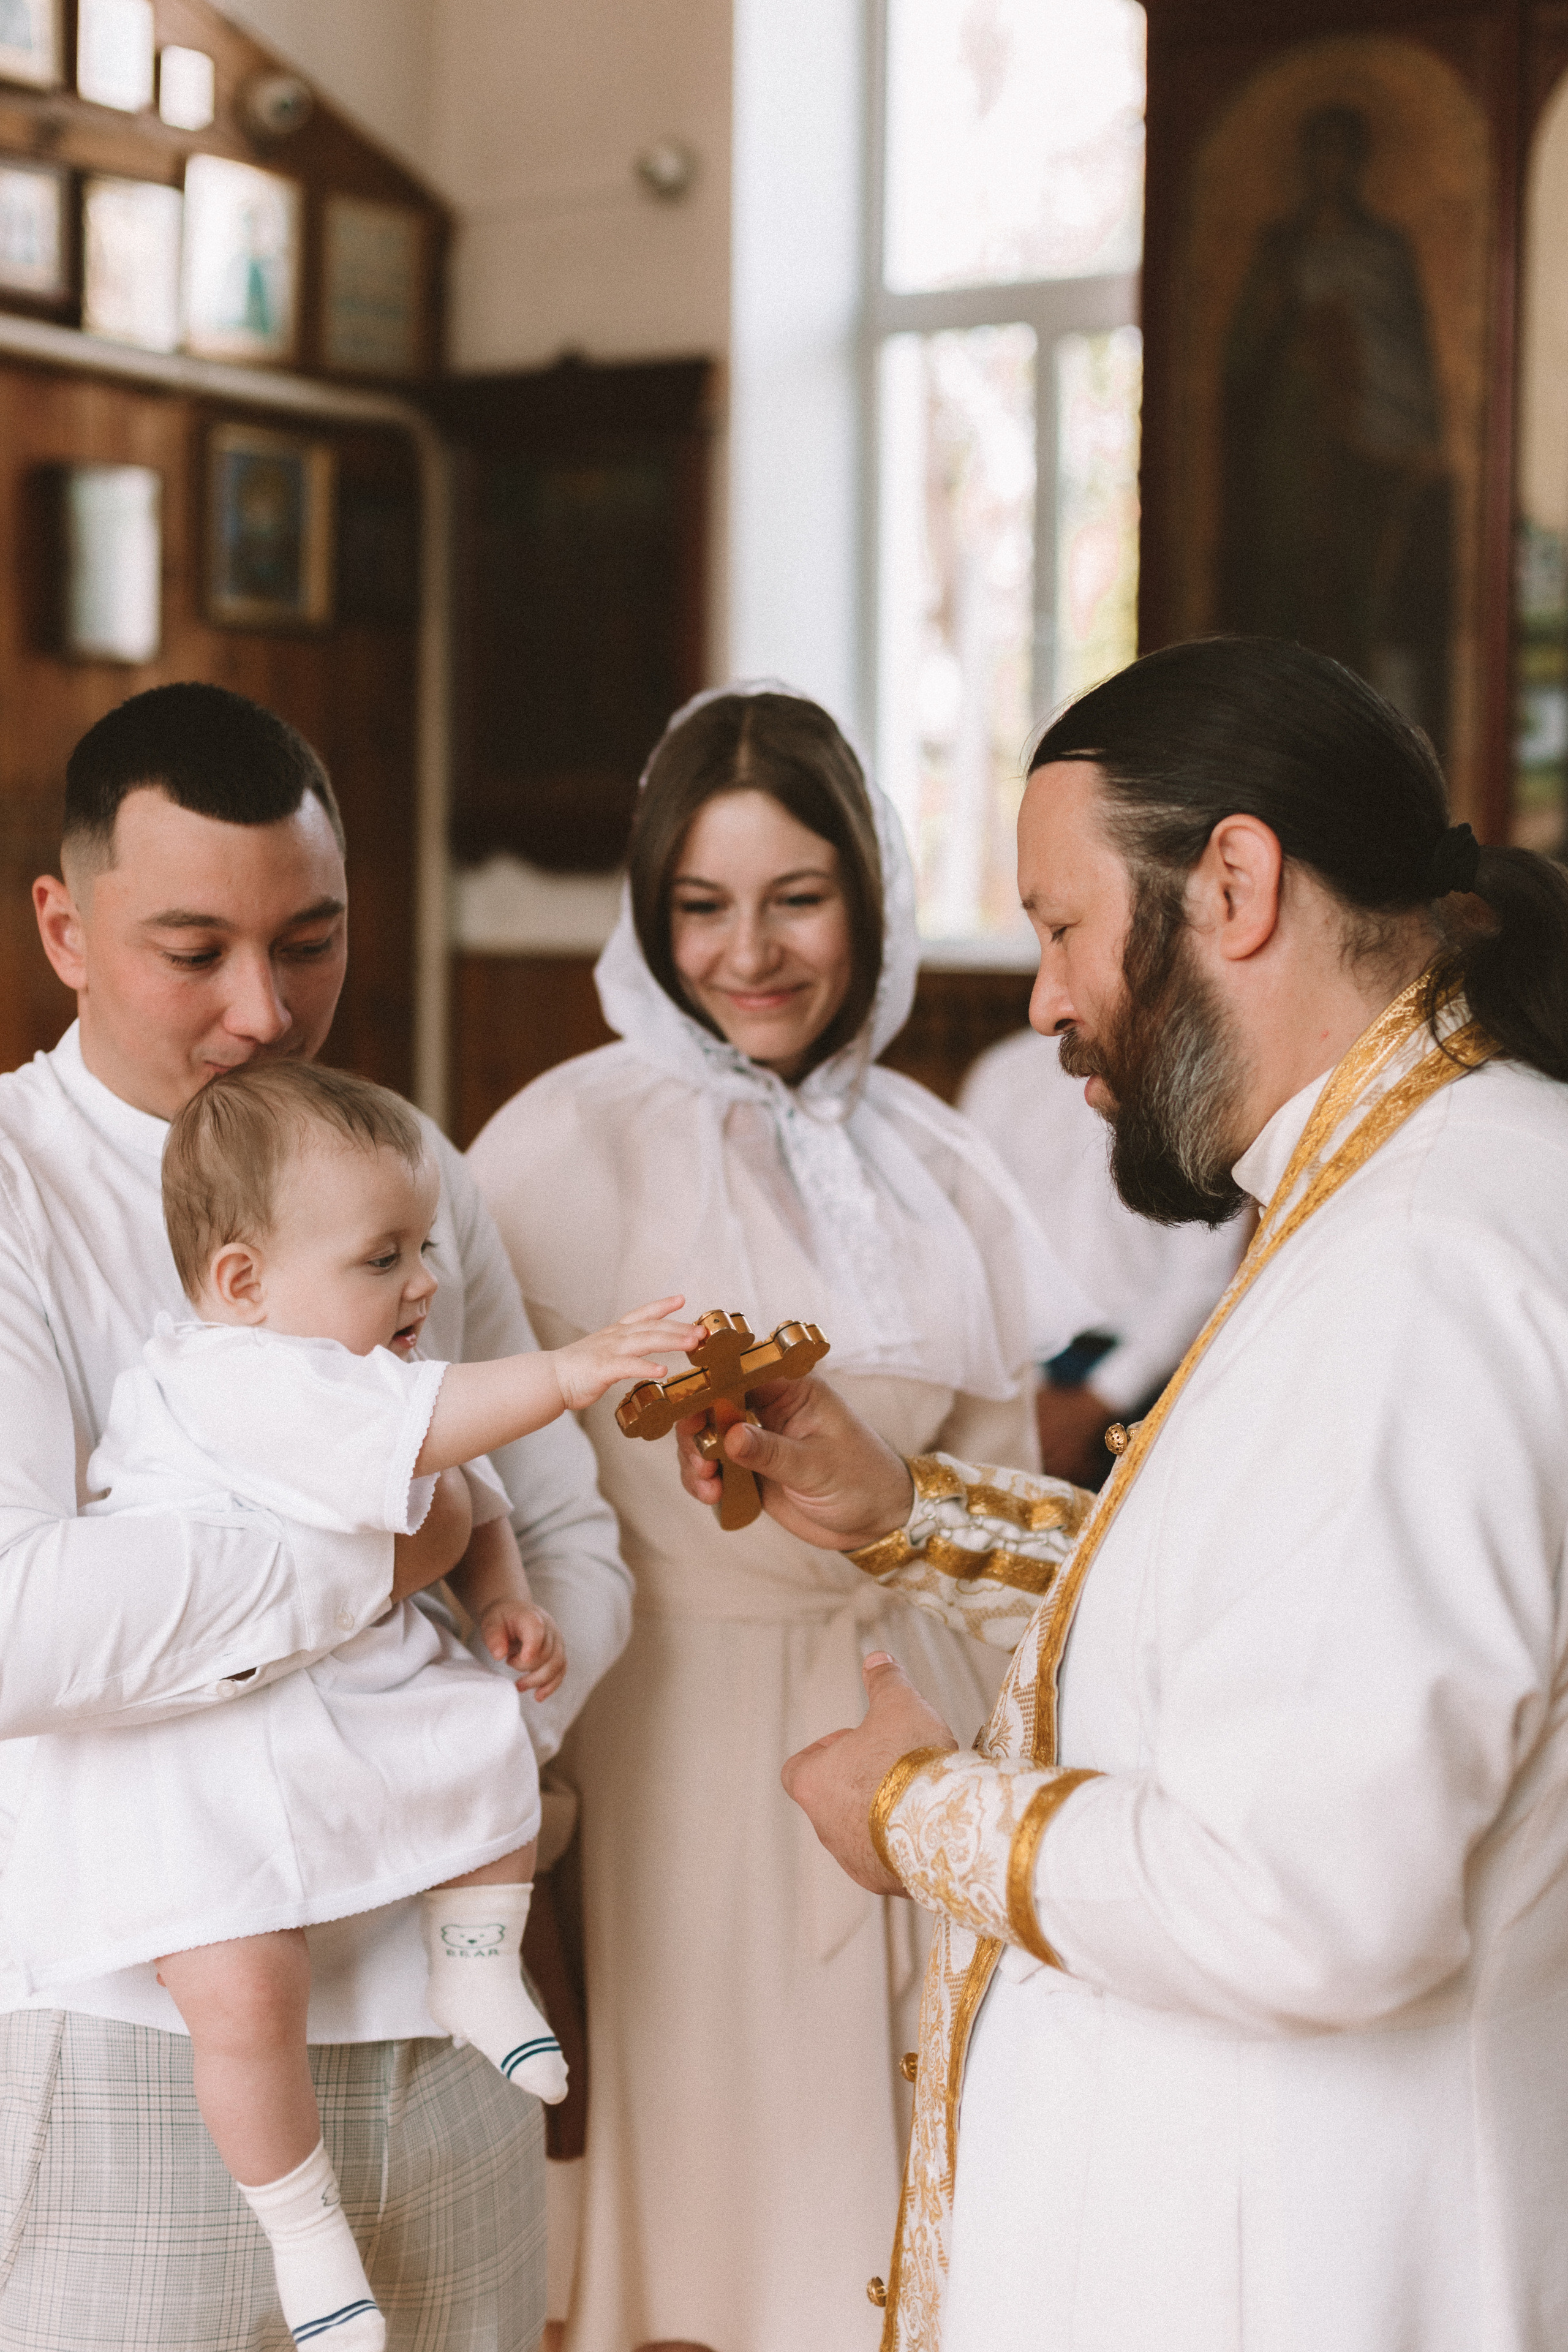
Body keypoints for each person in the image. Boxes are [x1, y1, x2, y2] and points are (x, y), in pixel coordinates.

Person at [677, 639, 1568, 2352]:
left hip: (1299, 2266)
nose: (1042, 997)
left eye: (1064, 924)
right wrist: (910, 1516)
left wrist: (917, 1809)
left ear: (1232, 884)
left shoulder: (1420, 1261)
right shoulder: (1432, 1175)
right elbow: (1285, 1619)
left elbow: (1307, 1900)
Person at [0, 682, 633, 2352]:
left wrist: (485, 1748)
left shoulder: (401, 1160)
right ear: (65, 927)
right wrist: (383, 1565)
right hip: (129, 2026)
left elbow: (565, 1538)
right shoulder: (1, 1187)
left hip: (447, 2015)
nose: (265, 1011)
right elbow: (19, 1630)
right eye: (192, 949)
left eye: (312, 940)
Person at [467, 687, 1093, 2352]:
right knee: (699, 2205)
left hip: (913, 1734)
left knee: (887, 2212)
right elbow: (486, 1500)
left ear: (868, 900)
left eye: (797, 897)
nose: (749, 952)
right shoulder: (552, 1147)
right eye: (703, 905)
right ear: (651, 912)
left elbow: (1007, 1501)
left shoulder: (948, 1163)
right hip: (663, 1742)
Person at [958, 1030, 1243, 1485]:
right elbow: (975, 1250)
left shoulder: (1197, 1078)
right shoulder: (1003, 1075)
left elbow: (1203, 1278)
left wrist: (1100, 1400)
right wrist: (1029, 1398)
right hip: (1019, 1380)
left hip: (1154, 1384)